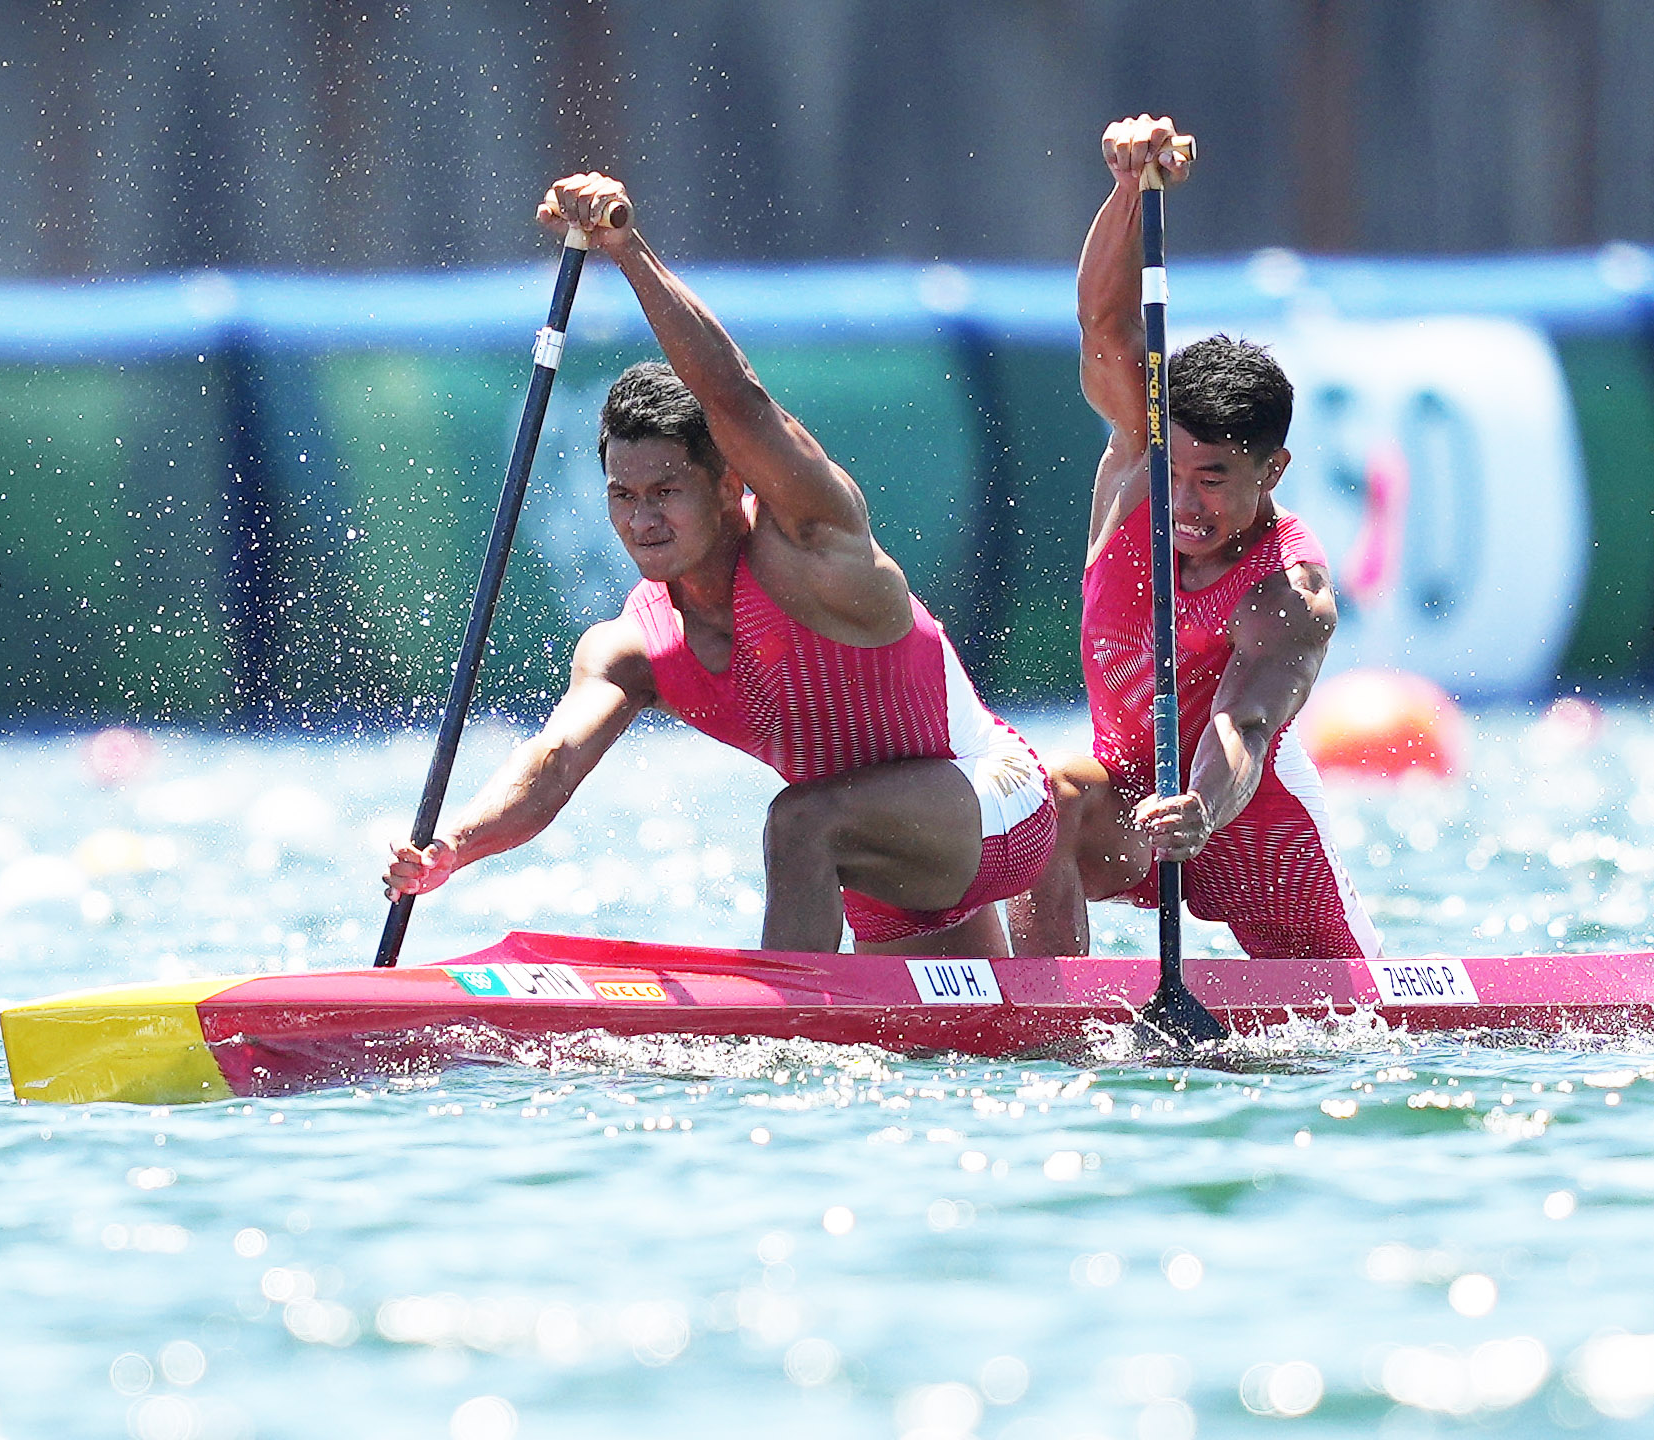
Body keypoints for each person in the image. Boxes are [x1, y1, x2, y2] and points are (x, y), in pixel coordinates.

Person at [381, 173, 1054, 956]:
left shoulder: (809, 541)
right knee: (951, 1061)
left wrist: (626, 253)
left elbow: (738, 398)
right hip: (886, 867)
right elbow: (554, 761)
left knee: (798, 821)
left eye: (667, 490)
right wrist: (451, 848)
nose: (642, 518)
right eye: (623, 496)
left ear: (729, 483)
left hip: (993, 804)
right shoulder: (631, 648)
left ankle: (772, 1045)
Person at [1007, 116, 1380, 961]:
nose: (1183, 502)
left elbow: (1246, 723)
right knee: (1048, 800)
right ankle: (1052, 1035)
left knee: (1343, 1041)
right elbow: (1106, 330)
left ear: (1273, 469)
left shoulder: (1291, 589)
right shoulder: (1137, 466)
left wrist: (1203, 808)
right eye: (1175, 472)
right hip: (1133, 803)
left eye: (1213, 479)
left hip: (1255, 834)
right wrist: (1128, 190)